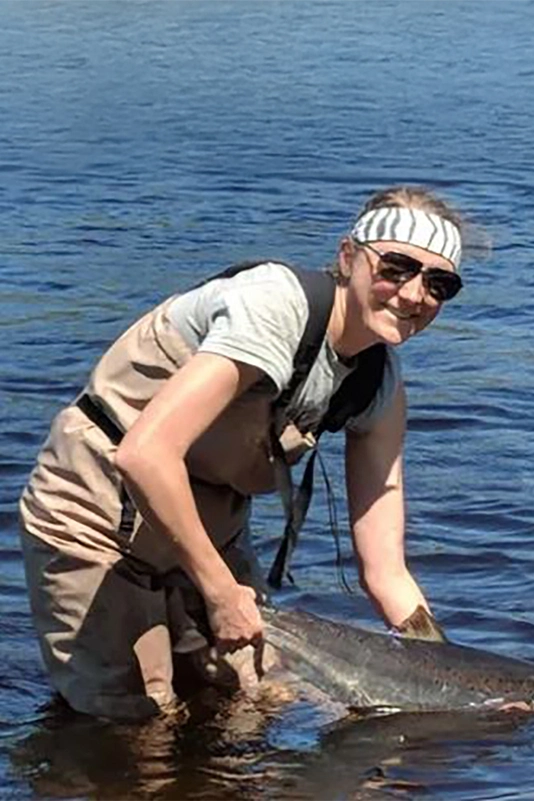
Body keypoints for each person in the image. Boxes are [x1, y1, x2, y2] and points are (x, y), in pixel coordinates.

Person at [19, 185, 464, 720]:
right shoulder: (273, 305)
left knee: (251, 703)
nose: (415, 294)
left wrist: (454, 686)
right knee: (136, 726)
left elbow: (386, 570)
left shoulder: (379, 386)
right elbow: (145, 453)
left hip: (210, 529)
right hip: (95, 517)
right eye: (397, 267)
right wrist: (221, 592)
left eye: (439, 283)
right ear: (348, 257)